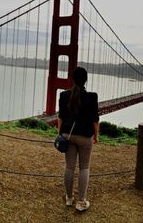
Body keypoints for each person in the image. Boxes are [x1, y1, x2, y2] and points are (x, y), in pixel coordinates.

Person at [58, 67, 99, 212]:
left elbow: (61, 118)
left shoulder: (63, 95)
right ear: (86, 80)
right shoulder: (92, 97)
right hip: (84, 137)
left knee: (69, 167)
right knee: (84, 167)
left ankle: (69, 198)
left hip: (68, 135)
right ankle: (81, 202)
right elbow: (95, 120)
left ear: (73, 79)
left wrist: (61, 134)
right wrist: (96, 136)